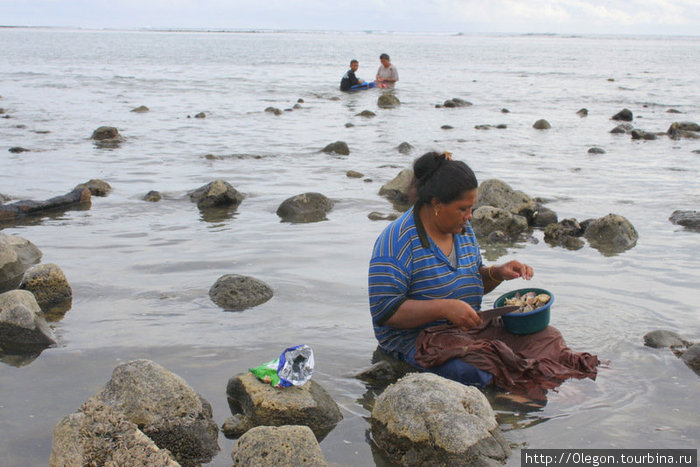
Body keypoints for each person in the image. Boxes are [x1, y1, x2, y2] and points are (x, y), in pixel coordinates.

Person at [368, 151, 599, 399]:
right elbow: (386, 311)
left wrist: (496, 273)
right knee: (478, 369)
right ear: (436, 204)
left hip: (466, 330)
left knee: (548, 337)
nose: (469, 216)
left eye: (472, 208)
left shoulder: (462, 230)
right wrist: (444, 309)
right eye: (463, 209)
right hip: (417, 341)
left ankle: (548, 387)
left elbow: (471, 281)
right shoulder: (396, 242)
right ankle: (519, 399)